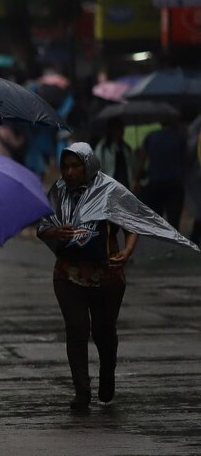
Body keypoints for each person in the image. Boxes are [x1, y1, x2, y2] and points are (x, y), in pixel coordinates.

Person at [38, 143, 139, 410]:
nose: (70, 172)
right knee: (77, 328)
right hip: (68, 274)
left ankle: (107, 371)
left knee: (103, 331)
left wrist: (127, 251)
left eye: (76, 166)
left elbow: (133, 224)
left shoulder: (110, 191)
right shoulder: (59, 191)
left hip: (107, 275)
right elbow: (43, 226)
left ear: (88, 166)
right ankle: (81, 390)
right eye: (66, 167)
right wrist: (54, 232)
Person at [136, 120, 187, 230]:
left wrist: (137, 179)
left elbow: (142, 160)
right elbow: (184, 161)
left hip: (155, 182)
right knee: (174, 219)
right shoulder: (179, 137)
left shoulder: (151, 136)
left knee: (156, 218)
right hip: (174, 183)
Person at [94, 118, 136, 187]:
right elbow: (97, 169)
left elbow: (132, 166)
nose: (121, 132)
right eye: (117, 129)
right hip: (109, 186)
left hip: (125, 185)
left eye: (121, 129)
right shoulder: (102, 147)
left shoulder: (126, 148)